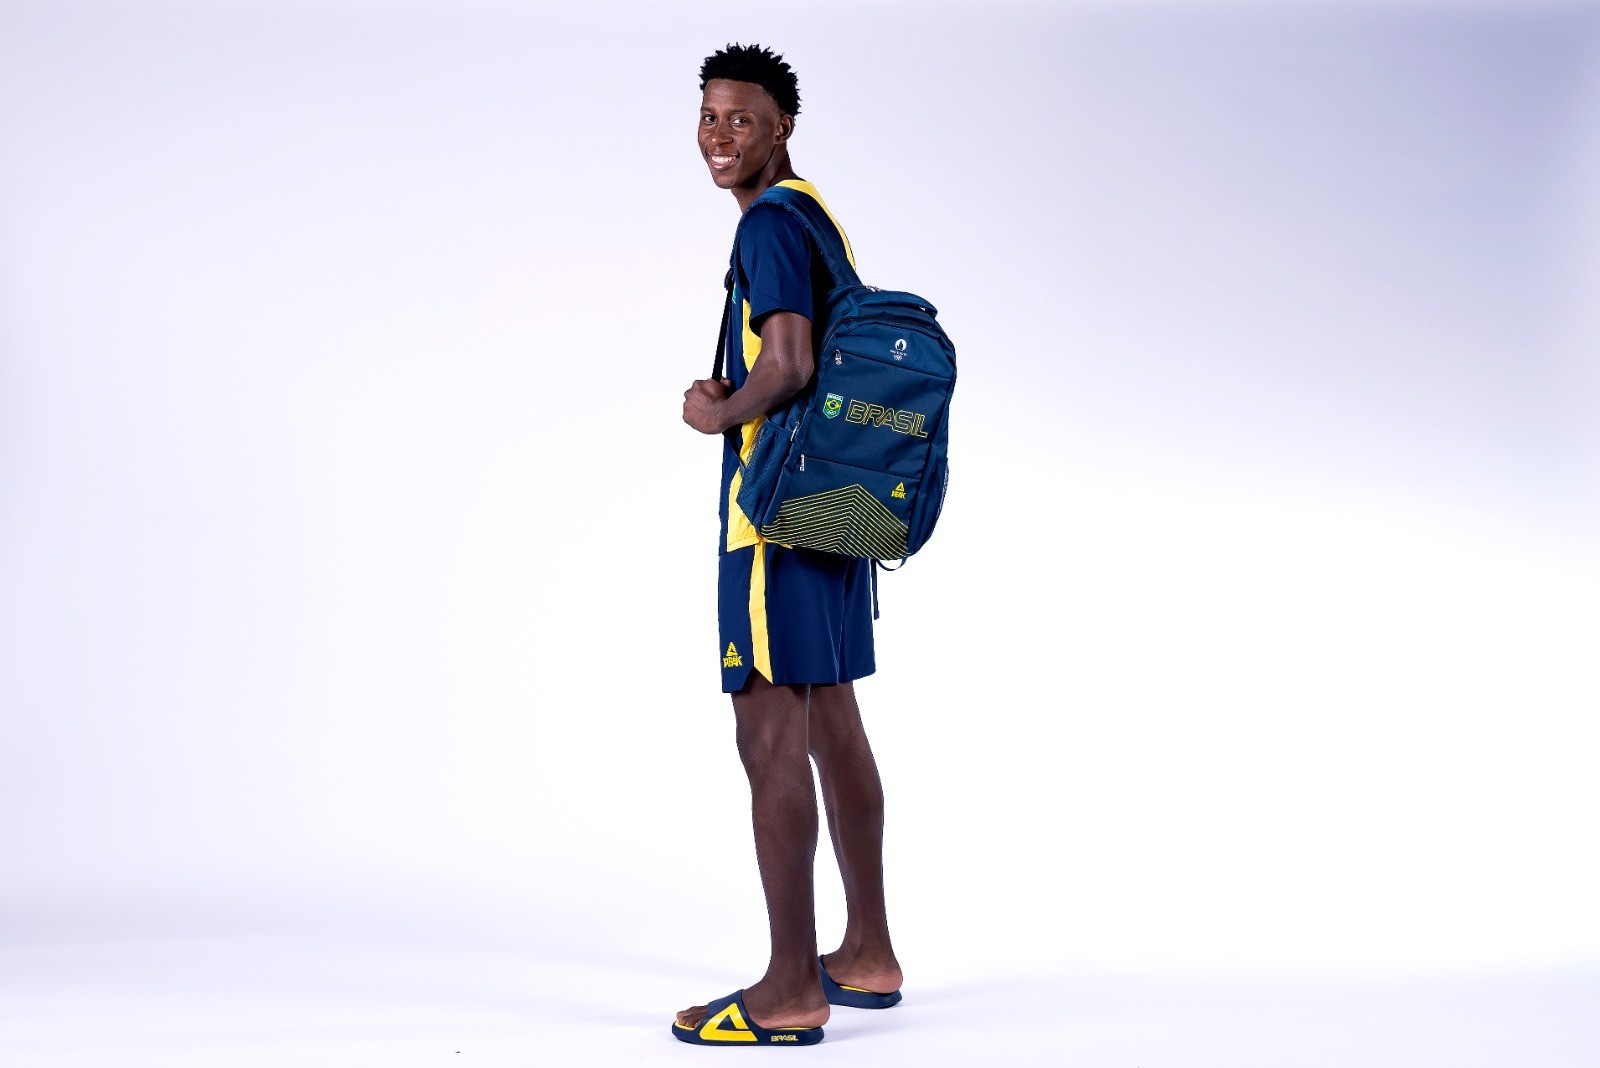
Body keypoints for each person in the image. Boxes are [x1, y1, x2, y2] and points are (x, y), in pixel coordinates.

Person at [673, 44, 903, 1047]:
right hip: (839, 507)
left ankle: (787, 990)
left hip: (773, 516)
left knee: (768, 734)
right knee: (833, 725)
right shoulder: (815, 214)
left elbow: (793, 361)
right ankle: (867, 954)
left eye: (741, 119)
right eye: (709, 116)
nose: (720, 136)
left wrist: (716, 415)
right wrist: (747, 389)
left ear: (782, 127)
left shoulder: (768, 222)